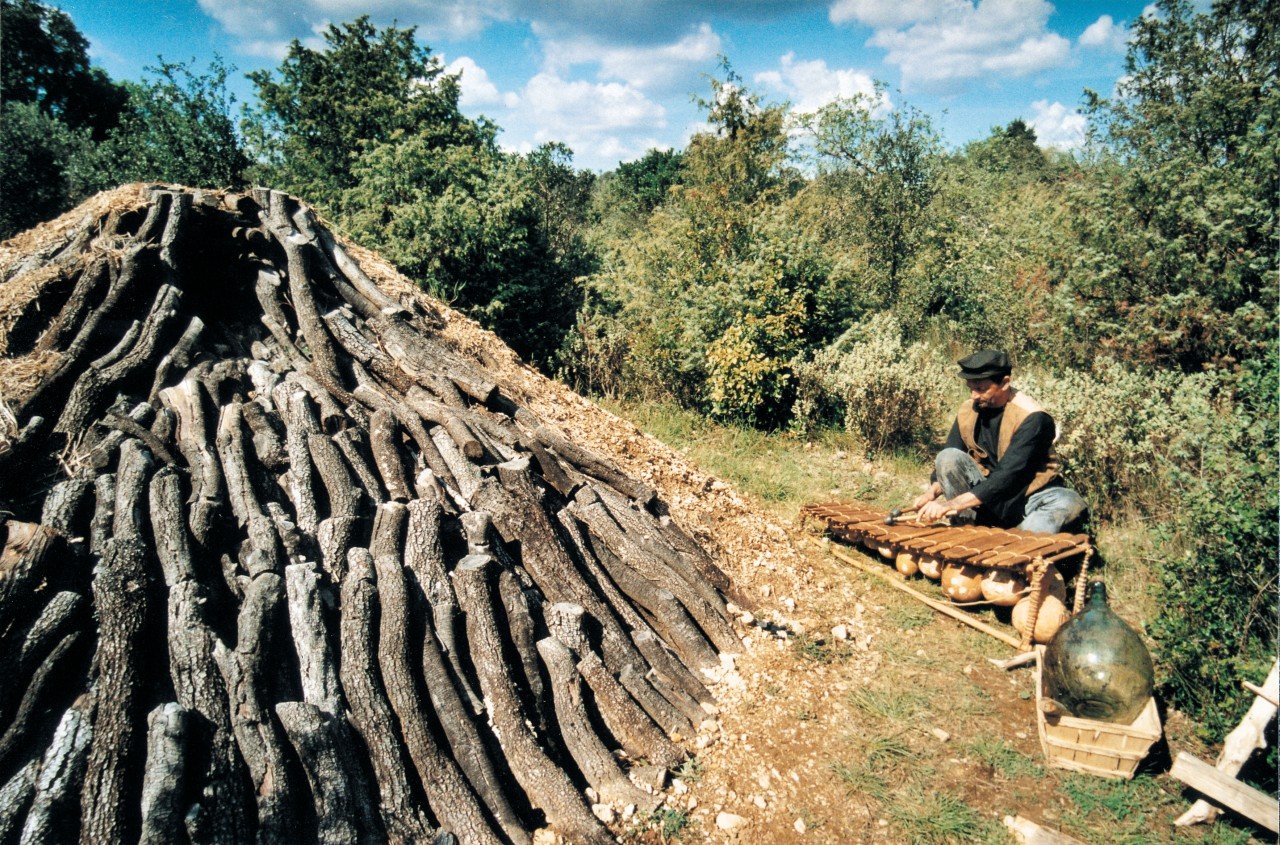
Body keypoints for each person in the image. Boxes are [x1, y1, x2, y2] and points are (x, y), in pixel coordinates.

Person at [913, 349, 1087, 534]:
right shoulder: (969, 409)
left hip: (1025, 498)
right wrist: (931, 492)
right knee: (947, 456)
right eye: (971, 388)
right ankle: (968, 529)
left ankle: (1018, 540)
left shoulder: (1034, 418)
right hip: (986, 497)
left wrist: (952, 504)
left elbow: (1008, 475)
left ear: (1004, 383)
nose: (973, 396)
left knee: (1067, 502)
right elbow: (951, 455)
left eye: (981, 389)